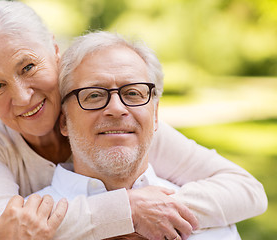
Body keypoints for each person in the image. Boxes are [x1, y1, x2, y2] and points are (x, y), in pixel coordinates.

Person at [0, 1, 267, 239]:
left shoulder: (108, 114)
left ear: (55, 51)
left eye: (28, 67)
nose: (22, 97)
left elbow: (245, 190)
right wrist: (127, 211)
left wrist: (160, 214)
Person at [35, 31, 245, 240]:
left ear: (155, 115)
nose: (116, 109)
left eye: (133, 93)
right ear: (64, 121)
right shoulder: (25, 226)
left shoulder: (213, 223)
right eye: (95, 95)